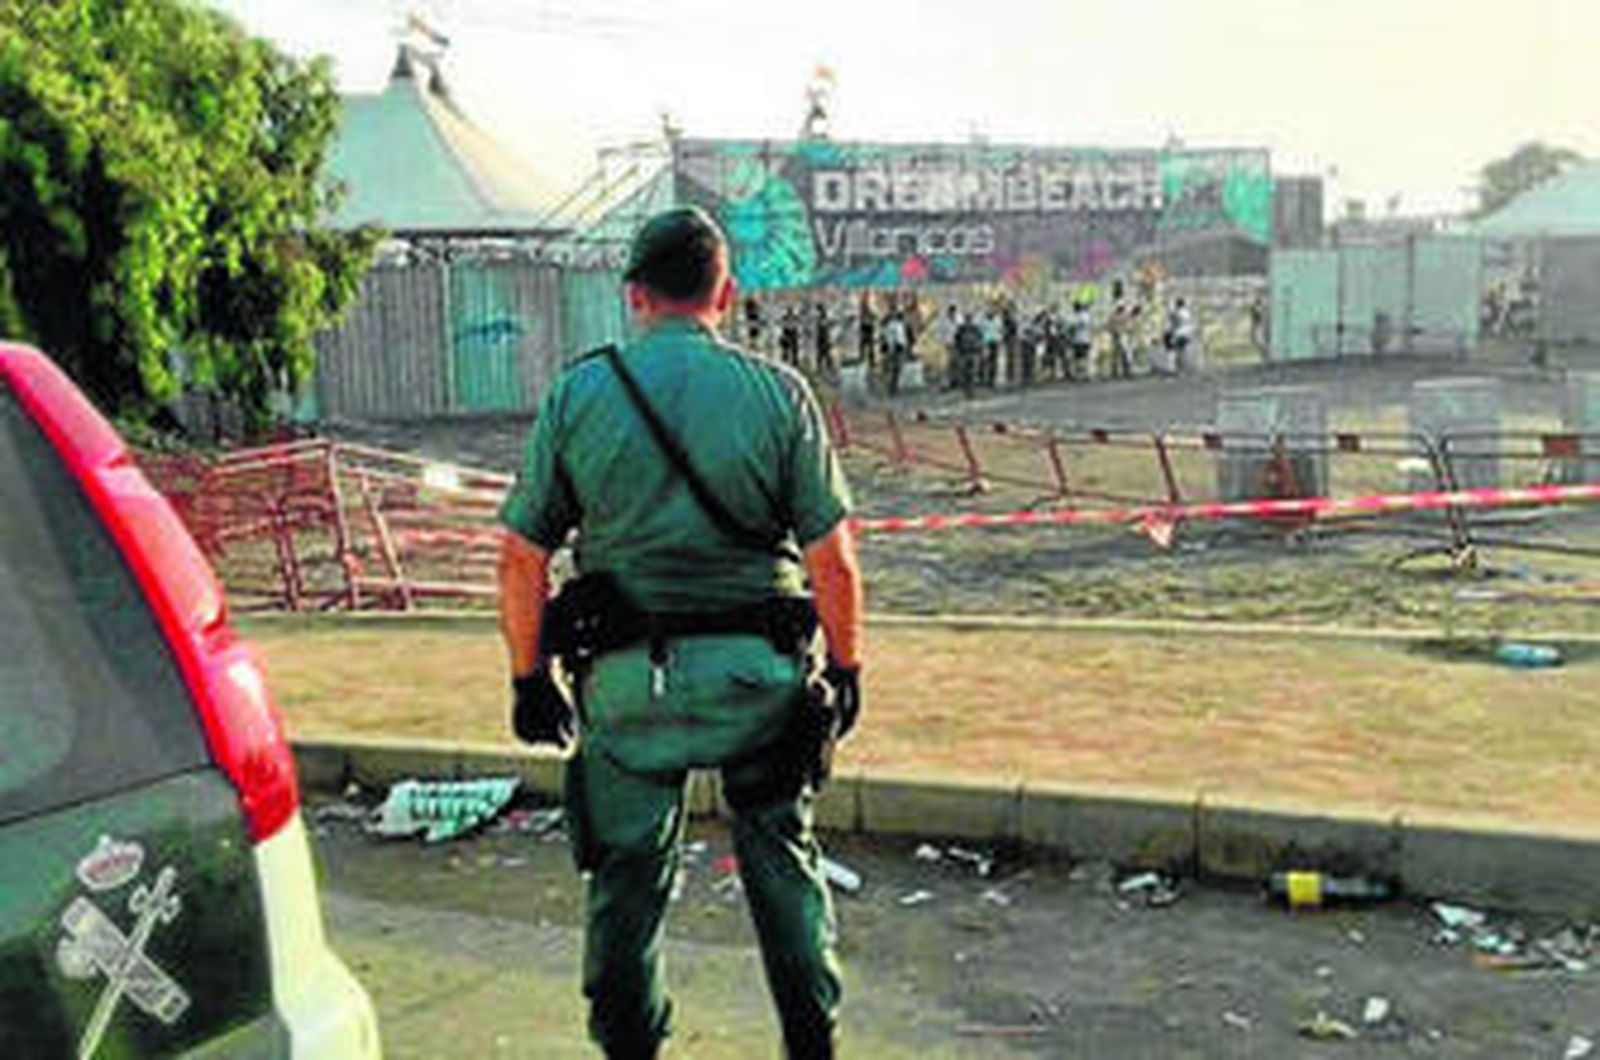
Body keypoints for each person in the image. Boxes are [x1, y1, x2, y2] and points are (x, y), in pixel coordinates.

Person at [496, 206, 865, 1059]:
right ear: (726, 293)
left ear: (634, 296)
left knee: (625, 883)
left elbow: (520, 557)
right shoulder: (780, 395)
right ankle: (812, 1044)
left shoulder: (580, 394)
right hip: (759, 683)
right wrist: (846, 669)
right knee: (782, 867)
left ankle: (632, 1048)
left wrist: (527, 679)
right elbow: (835, 563)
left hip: (629, 690)